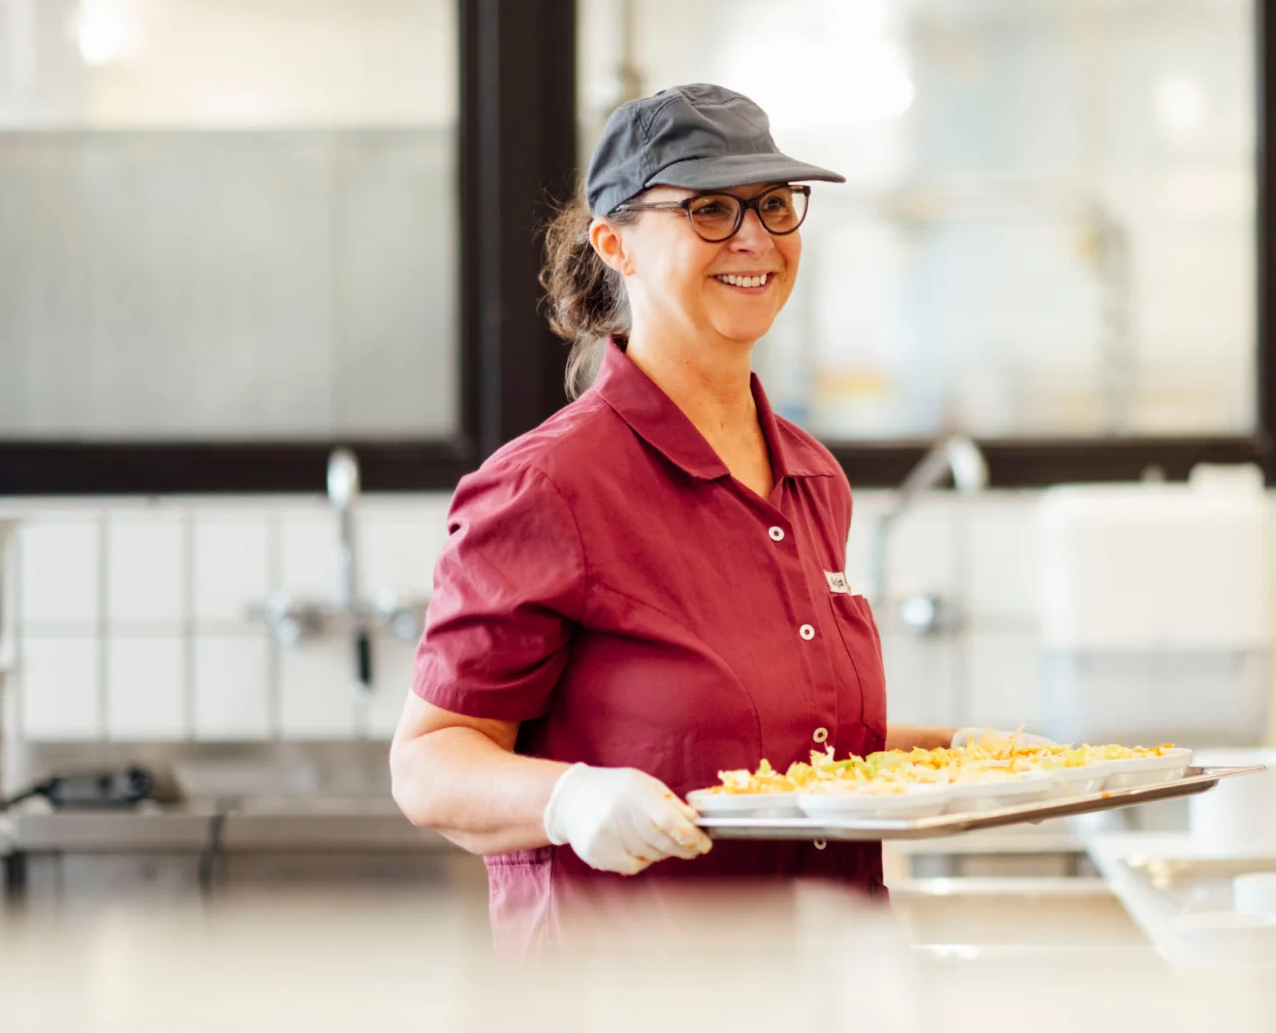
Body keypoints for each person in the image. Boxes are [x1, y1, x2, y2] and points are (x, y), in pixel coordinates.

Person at [389, 84, 1025, 952]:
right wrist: (571, 800)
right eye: (711, 210)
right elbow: (429, 763)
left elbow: (791, 753)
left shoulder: (809, 476)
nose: (756, 238)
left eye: (773, 204)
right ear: (616, 245)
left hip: (816, 982)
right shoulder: (550, 486)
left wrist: (955, 753)